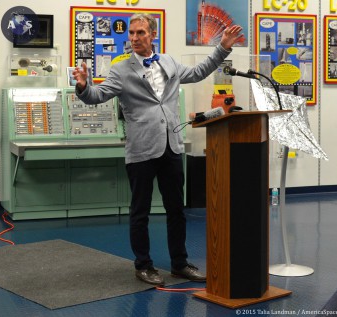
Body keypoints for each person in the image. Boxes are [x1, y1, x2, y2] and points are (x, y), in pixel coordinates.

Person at [73, 13, 244, 286]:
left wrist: (222, 47)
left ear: (153, 35)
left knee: (176, 210)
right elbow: (97, 96)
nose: (134, 38)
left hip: (171, 146)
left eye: (140, 33)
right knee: (139, 211)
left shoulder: (168, 61)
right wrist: (83, 86)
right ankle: (143, 265)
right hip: (141, 149)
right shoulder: (121, 69)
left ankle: (179, 264)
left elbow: (199, 71)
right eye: (131, 33)